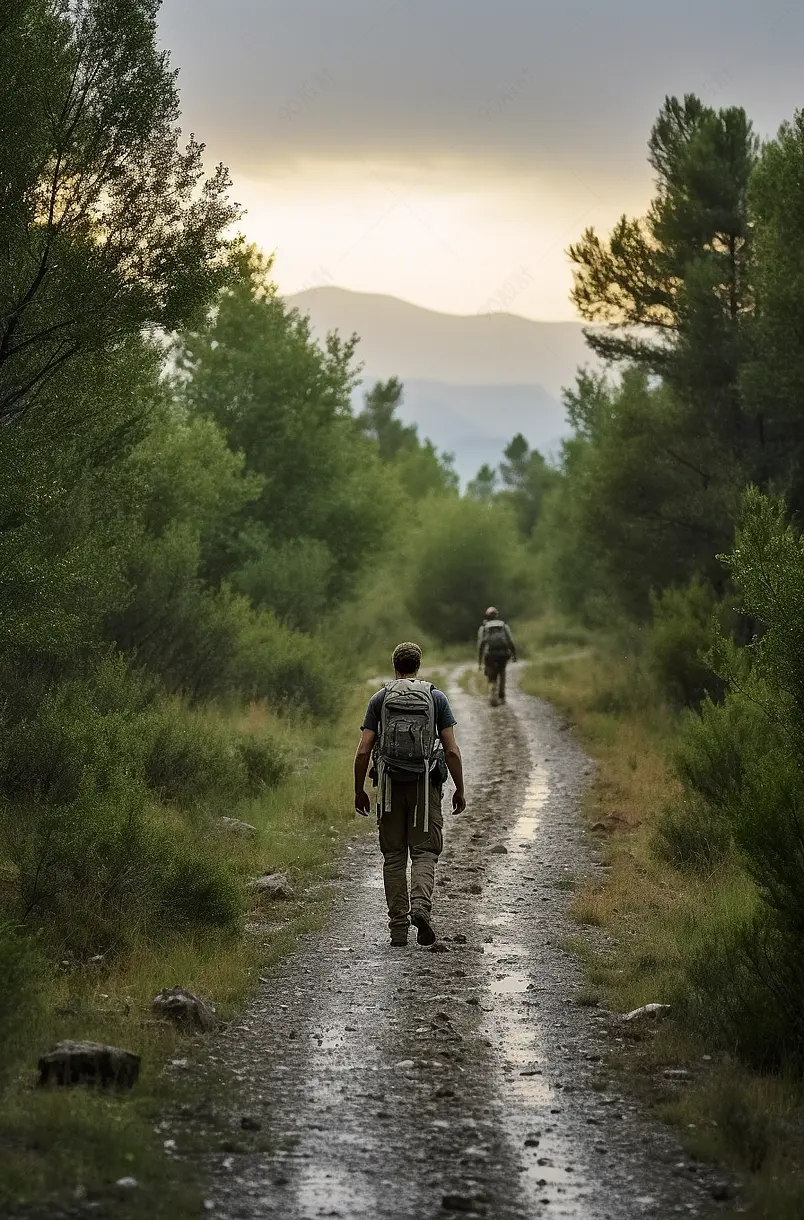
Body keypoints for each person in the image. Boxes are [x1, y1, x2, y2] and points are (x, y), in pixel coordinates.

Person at [354, 641, 466, 948]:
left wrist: (359, 790)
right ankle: (420, 908)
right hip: (424, 787)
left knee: (393, 857)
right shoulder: (435, 697)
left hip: (389, 786)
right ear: (418, 666)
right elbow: (452, 751)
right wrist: (459, 788)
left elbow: (364, 750)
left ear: (395, 666)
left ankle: (398, 930)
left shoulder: (380, 698)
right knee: (424, 852)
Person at [477, 606, 517, 706]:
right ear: (497, 615)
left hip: (490, 654)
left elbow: (481, 644)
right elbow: (510, 641)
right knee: (502, 672)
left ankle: (492, 693)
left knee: (491, 674)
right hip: (503, 654)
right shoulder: (503, 625)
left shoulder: (484, 627)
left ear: (487, 616)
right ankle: (502, 695)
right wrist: (514, 655)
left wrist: (480, 661)